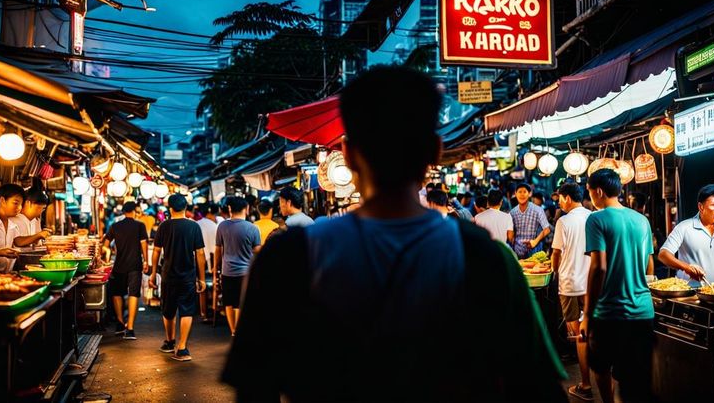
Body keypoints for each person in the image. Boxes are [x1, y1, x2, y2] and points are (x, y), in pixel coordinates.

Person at [225, 67, 566, 402]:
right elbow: (535, 386)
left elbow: (255, 386)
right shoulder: (485, 257)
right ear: (434, 151)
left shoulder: (287, 257)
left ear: (346, 152)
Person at [584, 167, 656, 403]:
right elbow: (649, 265)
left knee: (601, 366)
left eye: (590, 192)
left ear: (599, 191)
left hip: (610, 312)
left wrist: (587, 314)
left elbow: (598, 268)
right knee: (633, 377)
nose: (590, 198)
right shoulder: (641, 220)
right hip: (643, 311)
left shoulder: (596, 219)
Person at [551, 180, 594, 402]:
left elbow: (556, 254)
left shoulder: (563, 221)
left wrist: (553, 267)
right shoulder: (592, 217)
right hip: (591, 284)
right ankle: (595, 379)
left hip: (569, 285)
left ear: (567, 198)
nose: (559, 202)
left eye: (560, 198)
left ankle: (585, 384)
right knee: (591, 334)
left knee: (578, 335)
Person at [153, 193, 207, 362]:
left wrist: (153, 273)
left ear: (170, 208)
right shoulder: (194, 227)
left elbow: (156, 251)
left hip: (168, 275)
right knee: (187, 310)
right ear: (185, 208)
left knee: (168, 310)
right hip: (188, 276)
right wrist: (202, 278)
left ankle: (169, 342)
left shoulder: (164, 226)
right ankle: (182, 348)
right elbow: (200, 253)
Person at [658, 184, 714, 284]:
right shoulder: (684, 227)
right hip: (690, 292)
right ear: (701, 207)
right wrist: (686, 267)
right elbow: (663, 254)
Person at [215, 196, 262, 339]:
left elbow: (218, 249)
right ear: (246, 209)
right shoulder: (253, 228)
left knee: (229, 302)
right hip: (245, 272)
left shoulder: (222, 226)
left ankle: (233, 331)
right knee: (241, 303)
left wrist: (215, 267)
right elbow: (258, 250)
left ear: (230, 209)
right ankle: (240, 331)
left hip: (227, 271)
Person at [104, 201, 149, 338]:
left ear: (123, 212)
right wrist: (146, 260)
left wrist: (108, 255)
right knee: (134, 294)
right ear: (134, 211)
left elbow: (105, 245)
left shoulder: (115, 226)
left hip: (119, 266)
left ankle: (119, 322)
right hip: (135, 265)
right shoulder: (140, 226)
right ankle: (130, 328)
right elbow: (144, 244)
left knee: (117, 293)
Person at [510, 182, 552, 258]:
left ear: (530, 194)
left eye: (524, 192)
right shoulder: (512, 212)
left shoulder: (538, 210)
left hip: (533, 251)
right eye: (519, 192)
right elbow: (511, 234)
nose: (522, 194)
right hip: (517, 251)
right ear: (515, 194)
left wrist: (535, 241)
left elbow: (547, 229)